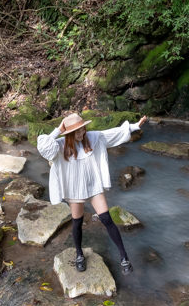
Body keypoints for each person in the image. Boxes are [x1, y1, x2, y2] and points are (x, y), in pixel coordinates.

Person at [37, 112, 147, 274]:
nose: (82, 133)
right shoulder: (60, 145)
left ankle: (124, 258)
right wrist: (58, 129)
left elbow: (113, 133)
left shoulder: (94, 137)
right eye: (77, 131)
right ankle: (79, 255)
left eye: (83, 129)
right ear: (69, 134)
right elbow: (43, 147)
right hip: (74, 189)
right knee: (77, 222)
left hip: (93, 186)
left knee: (107, 219)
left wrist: (134, 126)